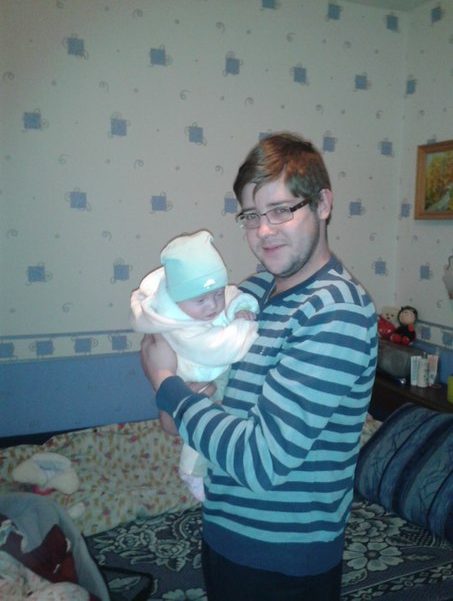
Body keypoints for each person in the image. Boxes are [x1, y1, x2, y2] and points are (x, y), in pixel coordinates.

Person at [140, 132, 377, 601]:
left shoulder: (336, 311)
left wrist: (163, 382)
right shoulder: (255, 293)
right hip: (225, 534)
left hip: (282, 564)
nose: (263, 230)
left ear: (323, 204)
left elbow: (260, 461)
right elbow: (183, 406)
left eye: (281, 210)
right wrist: (178, 395)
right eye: (251, 215)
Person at [130, 229, 259, 500]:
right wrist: (244, 328)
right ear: (177, 300)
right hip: (196, 382)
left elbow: (235, 296)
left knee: (206, 427)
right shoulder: (175, 325)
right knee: (198, 435)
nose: (212, 306)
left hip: (210, 393)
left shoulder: (226, 297)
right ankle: (192, 471)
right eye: (201, 300)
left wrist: (241, 309)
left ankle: (196, 472)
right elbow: (216, 349)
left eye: (217, 295)